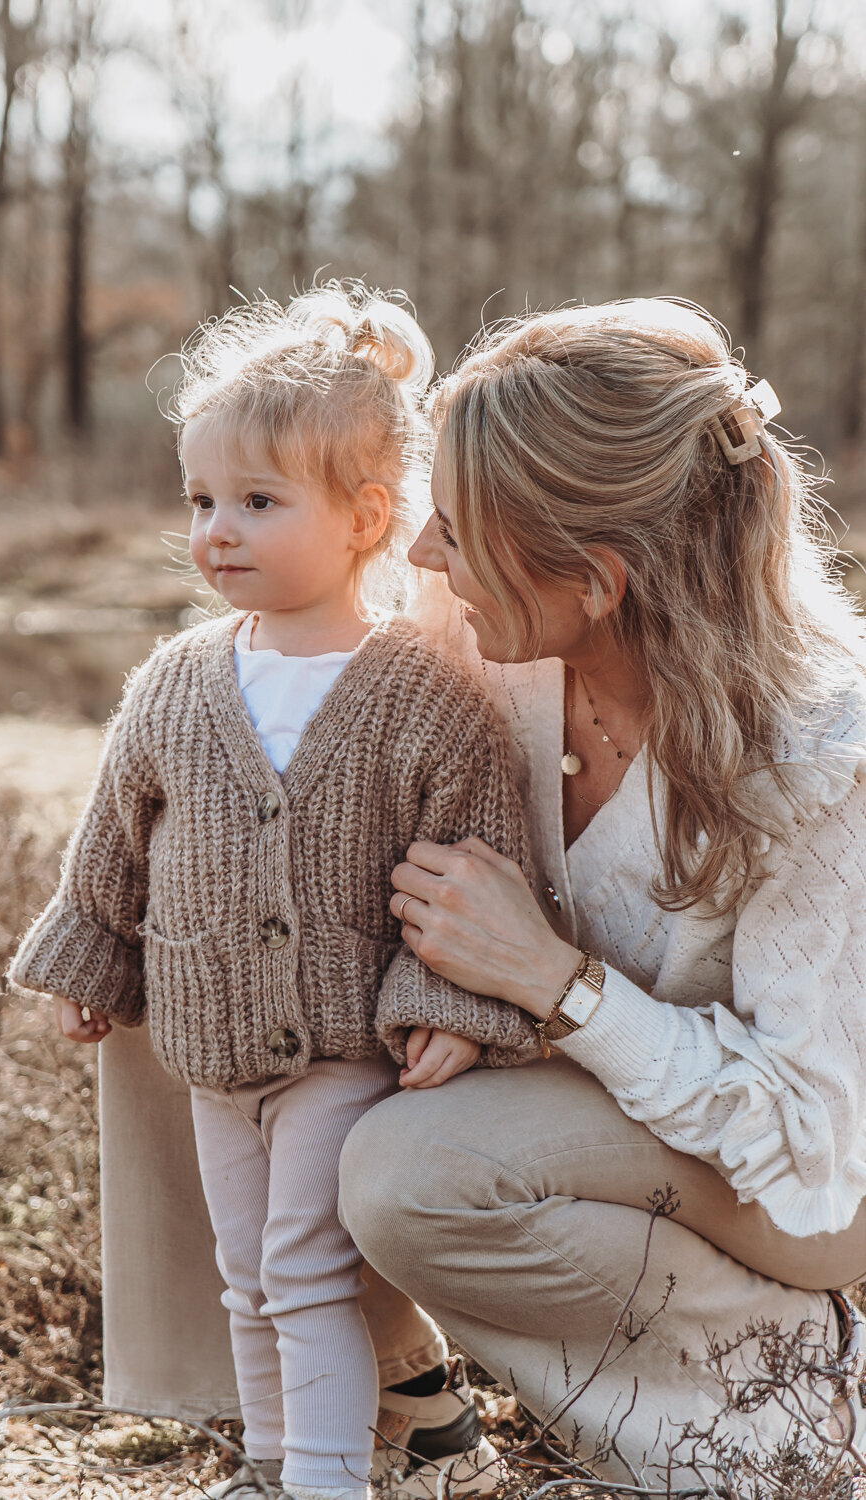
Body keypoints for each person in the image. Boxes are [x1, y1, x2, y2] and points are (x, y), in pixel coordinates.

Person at [8, 284, 540, 1500]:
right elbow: (114, 845)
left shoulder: (421, 691)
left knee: (304, 1264)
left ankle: (323, 1478)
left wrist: (443, 1001)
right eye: (200, 501)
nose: (217, 532)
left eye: (256, 502)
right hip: (211, 1042)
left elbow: (475, 852)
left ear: (364, 519)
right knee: (243, 1269)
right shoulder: (178, 680)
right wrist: (94, 961)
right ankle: (267, 1461)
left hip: (348, 1047)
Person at [336, 297, 866, 1491]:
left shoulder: (823, 754)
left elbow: (802, 1140)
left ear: (594, 581)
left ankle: (775, 1422)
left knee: (411, 1178)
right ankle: (340, 1408)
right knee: (207, 959)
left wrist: (549, 983)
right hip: (590, 1107)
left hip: (801, 1179)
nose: (422, 558)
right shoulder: (483, 638)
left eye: (455, 534)